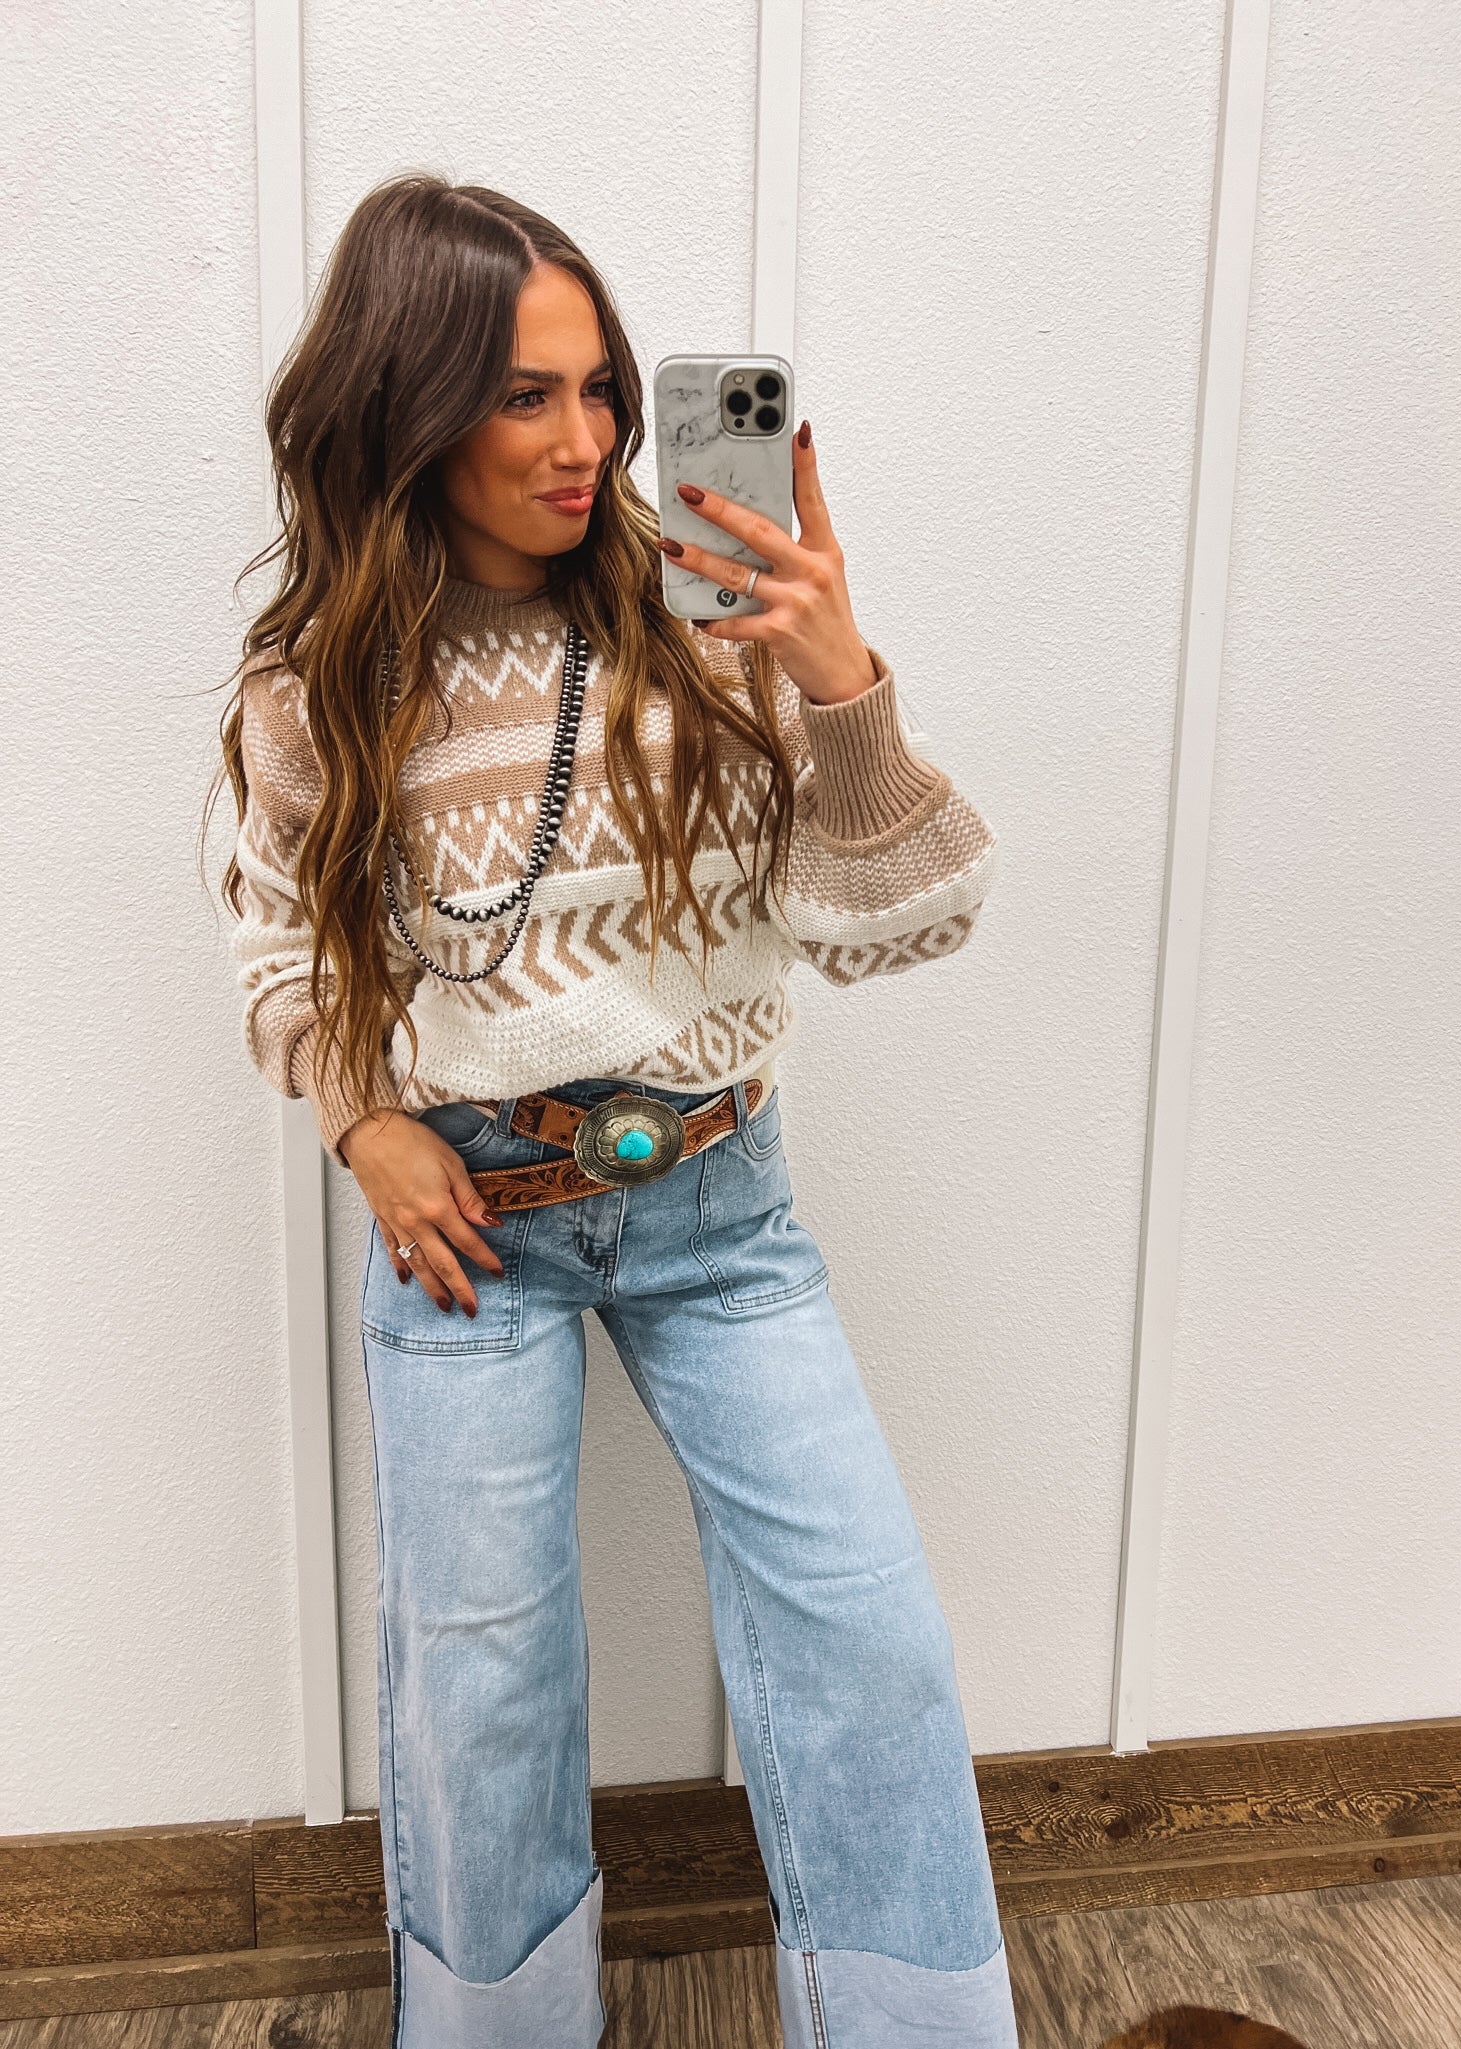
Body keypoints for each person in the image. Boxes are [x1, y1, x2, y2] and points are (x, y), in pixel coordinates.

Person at [214, 172, 1016, 2049]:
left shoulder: (709, 628)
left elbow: (905, 924)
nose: (584, 442)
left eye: (600, 390)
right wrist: (362, 1121)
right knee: (481, 1691)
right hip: (472, 1219)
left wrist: (838, 680)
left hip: (720, 1204)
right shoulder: (316, 684)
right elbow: (276, 942)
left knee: (866, 1638)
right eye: (524, 396)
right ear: (409, 408)